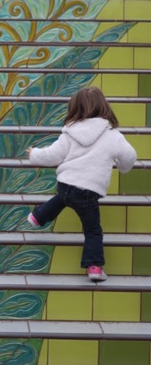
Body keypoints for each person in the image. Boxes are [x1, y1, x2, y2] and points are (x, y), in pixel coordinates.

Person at [26, 87, 136, 282]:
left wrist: (34, 154)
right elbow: (129, 157)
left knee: (62, 198)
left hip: (66, 184)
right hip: (88, 191)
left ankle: (37, 216)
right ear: (104, 107)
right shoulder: (113, 135)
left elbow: (52, 155)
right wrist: (122, 166)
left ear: (75, 108)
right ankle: (94, 267)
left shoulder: (70, 132)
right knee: (92, 230)